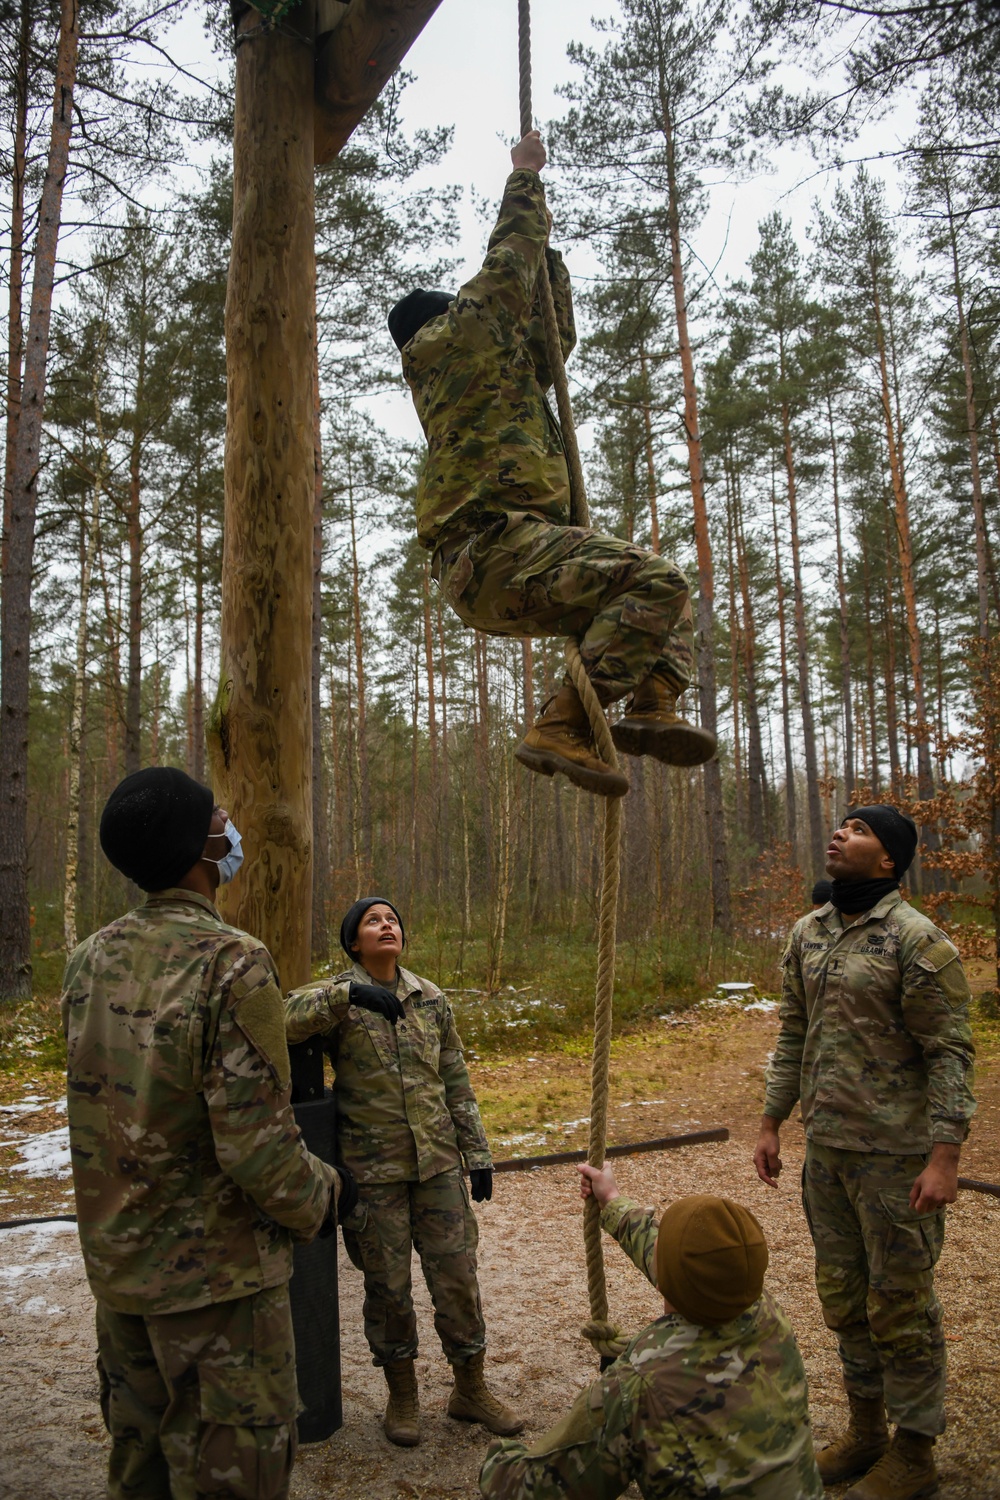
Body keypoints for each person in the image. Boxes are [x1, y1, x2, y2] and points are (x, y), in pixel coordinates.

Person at [388, 130, 716, 801]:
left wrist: (549, 257)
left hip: (511, 558)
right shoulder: (449, 345)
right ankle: (562, 722)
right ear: (437, 323)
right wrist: (526, 180)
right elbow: (505, 280)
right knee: (656, 580)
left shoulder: (495, 381)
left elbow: (551, 339)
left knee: (667, 598)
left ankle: (653, 700)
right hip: (493, 552)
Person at [62, 767, 353, 1500]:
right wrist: (325, 1197)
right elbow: (257, 1146)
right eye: (219, 814)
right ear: (204, 846)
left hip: (121, 1276)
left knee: (141, 1469)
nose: (232, 823)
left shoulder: (87, 960)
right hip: (218, 1286)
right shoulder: (233, 961)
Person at [754, 805, 977, 1500]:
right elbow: (795, 1032)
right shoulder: (808, 933)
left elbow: (950, 1052)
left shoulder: (918, 940)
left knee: (901, 1304)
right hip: (828, 1154)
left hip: (896, 1159)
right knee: (845, 1299)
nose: (839, 832)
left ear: (889, 860)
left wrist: (945, 1157)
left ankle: (915, 1453)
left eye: (858, 829)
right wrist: (771, 1121)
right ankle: (867, 1430)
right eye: (840, 824)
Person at [284, 897, 522, 1447]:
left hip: (437, 1164)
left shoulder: (431, 999)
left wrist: (477, 1154)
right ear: (353, 943)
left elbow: (454, 1079)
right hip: (373, 1173)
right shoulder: (336, 998)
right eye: (373, 921)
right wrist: (346, 996)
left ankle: (470, 1388)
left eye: (392, 919)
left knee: (458, 1279)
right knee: (388, 1289)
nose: (386, 925)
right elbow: (284, 1020)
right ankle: (403, 1394)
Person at [479, 1163, 823, 1499]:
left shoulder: (640, 1385)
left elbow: (533, 1488)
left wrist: (499, 1460)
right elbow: (677, 1261)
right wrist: (611, 1200)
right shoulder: (763, 1308)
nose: (656, 1244)